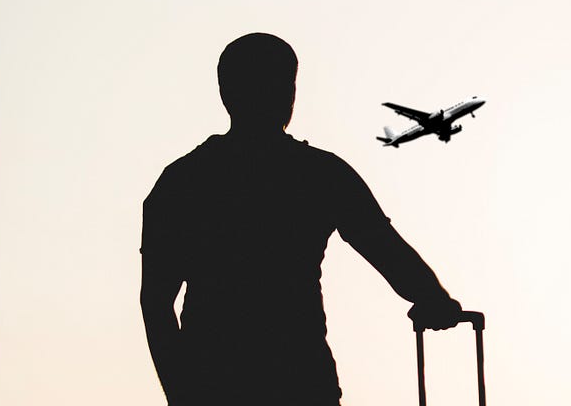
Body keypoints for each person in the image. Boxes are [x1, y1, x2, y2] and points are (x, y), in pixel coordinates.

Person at [140, 32, 465, 406]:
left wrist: (183, 394)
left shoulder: (183, 181)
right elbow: (385, 248)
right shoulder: (318, 174)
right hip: (300, 380)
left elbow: (156, 303)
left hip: (222, 382)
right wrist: (432, 298)